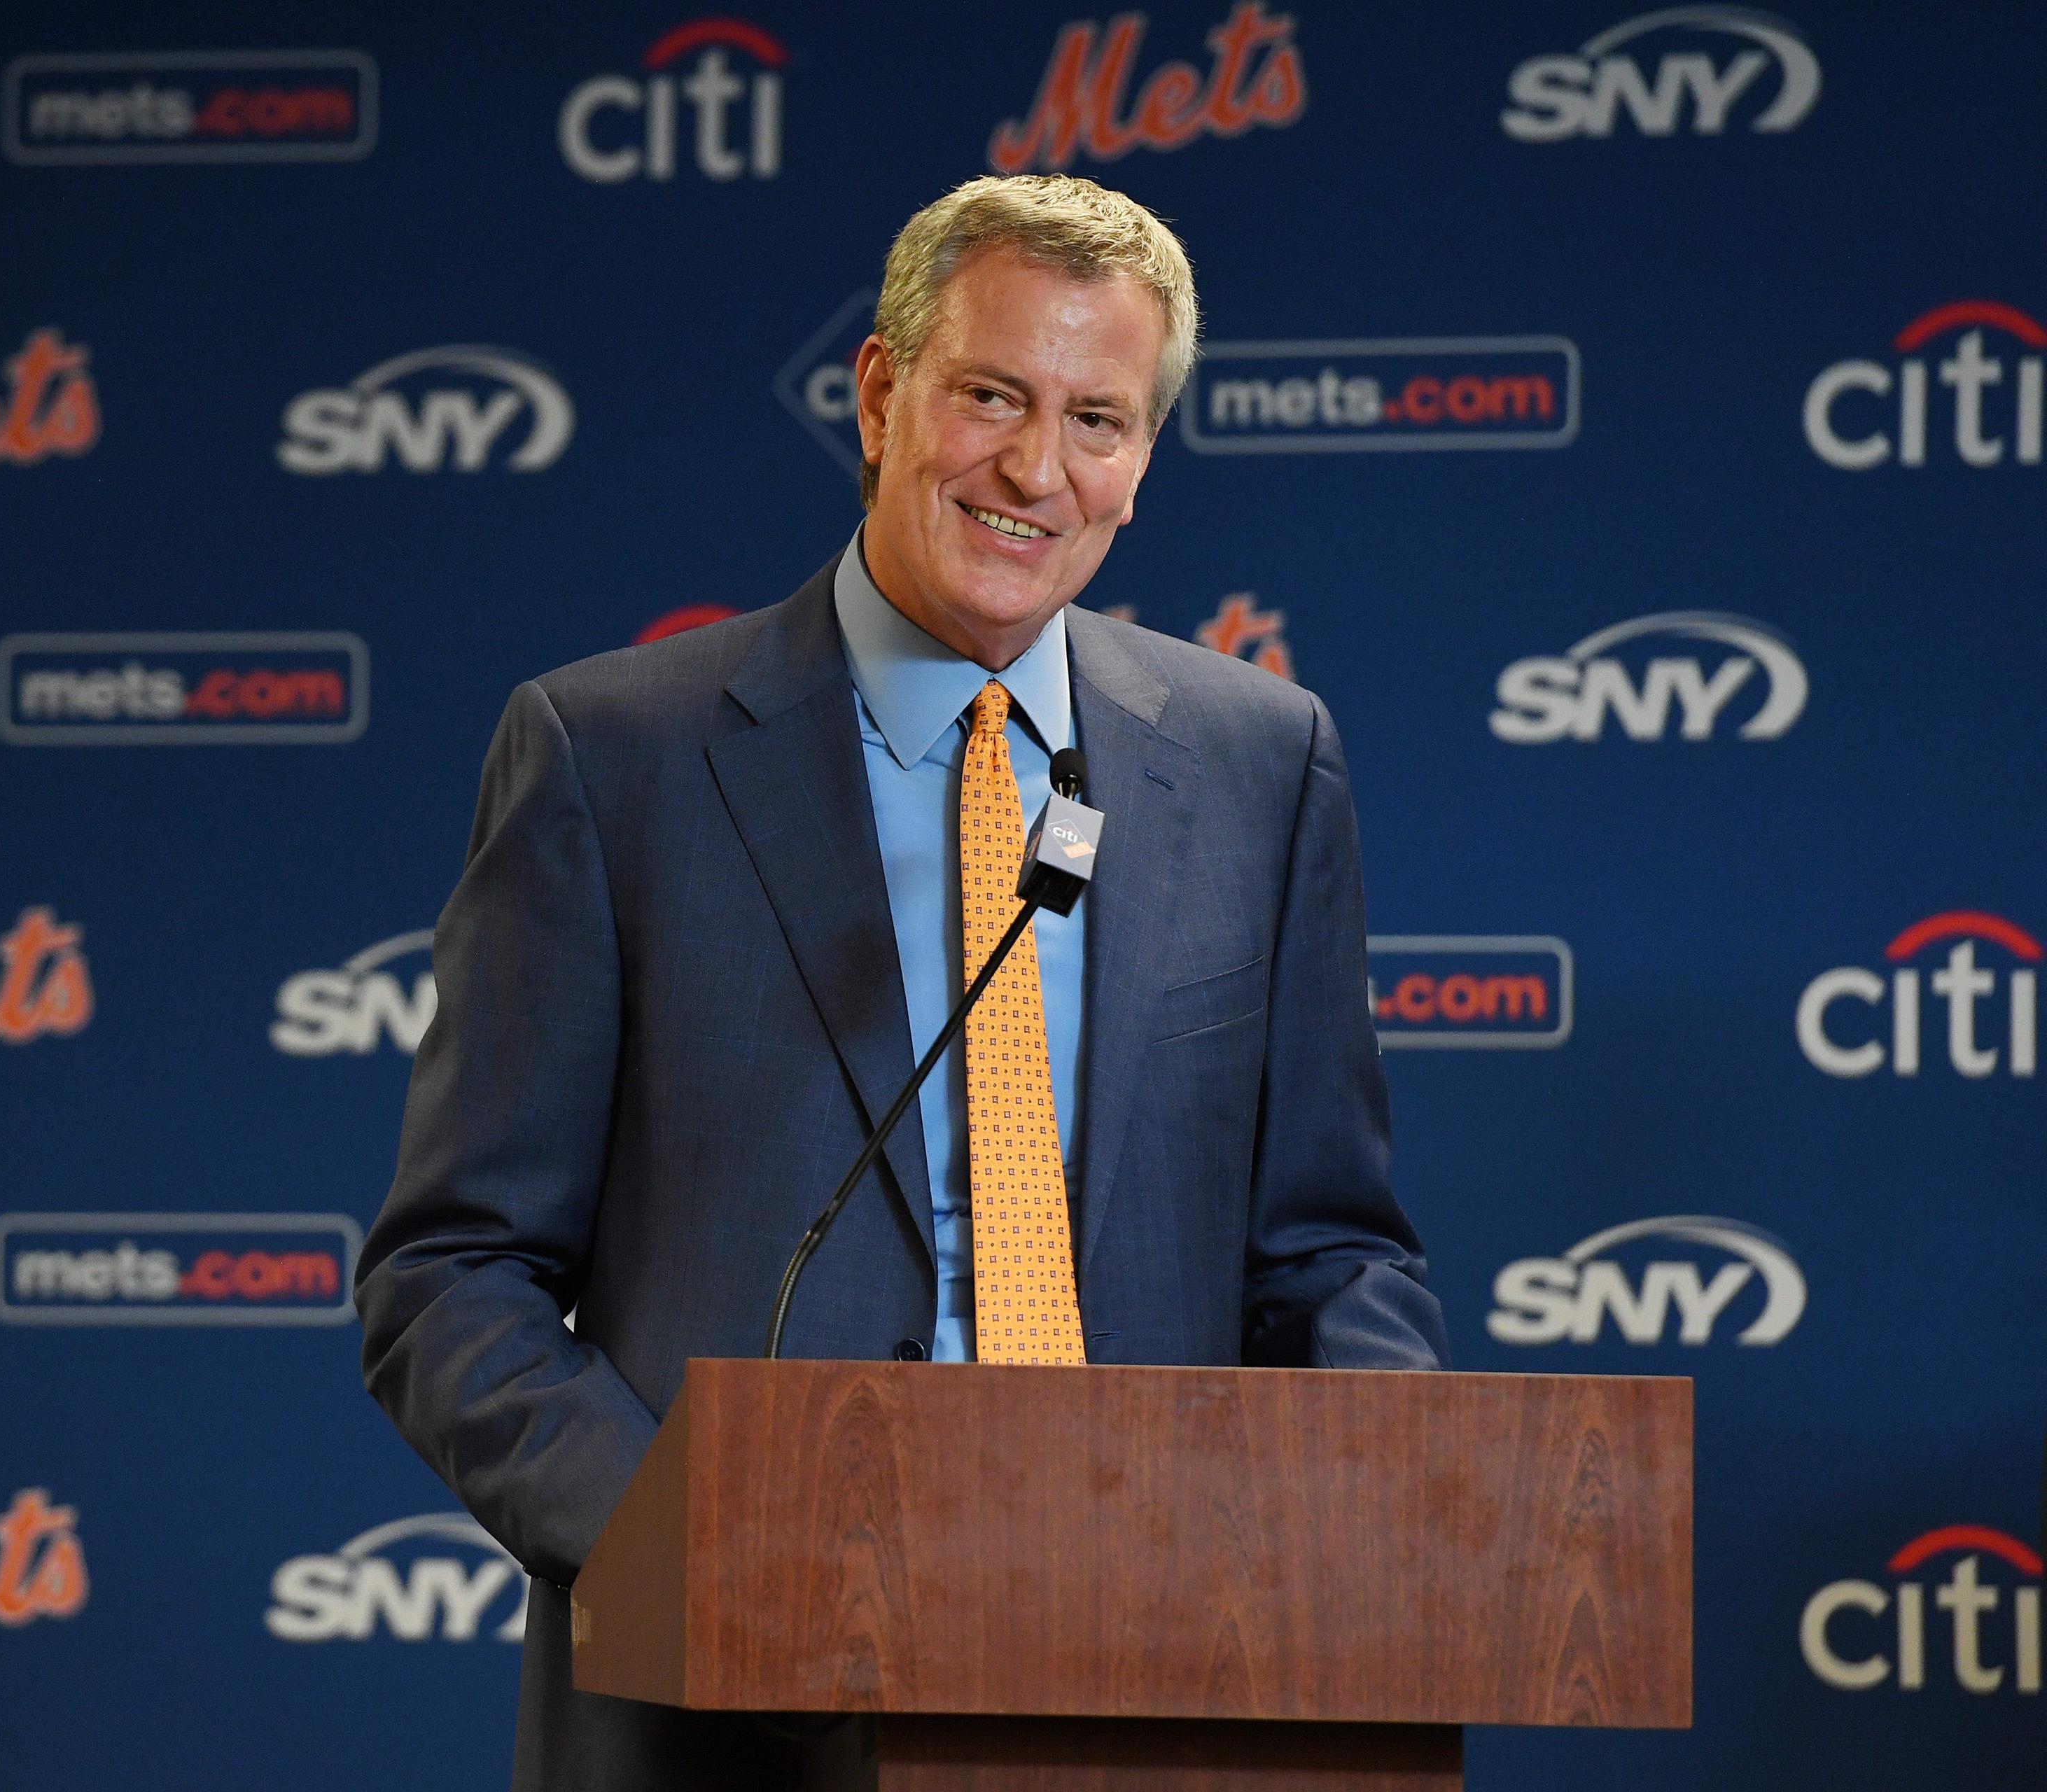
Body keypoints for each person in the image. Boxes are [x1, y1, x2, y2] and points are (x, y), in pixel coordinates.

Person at [356, 174, 1446, 1792]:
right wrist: (695, 1560)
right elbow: (451, 1273)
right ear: (881, 395)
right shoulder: (615, 755)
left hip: (1157, 1670)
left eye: (1098, 418)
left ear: (1141, 465)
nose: (1035, 468)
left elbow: (1329, 1246)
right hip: (729, 1705)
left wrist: (1387, 1520)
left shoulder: (1260, 763)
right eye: (991, 395)